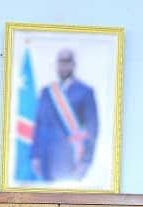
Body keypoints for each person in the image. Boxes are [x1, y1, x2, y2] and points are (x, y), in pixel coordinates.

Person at [30, 49, 99, 182]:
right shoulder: (46, 92)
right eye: (61, 62)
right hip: (45, 158)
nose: (64, 66)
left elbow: (92, 129)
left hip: (70, 159)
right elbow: (38, 125)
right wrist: (35, 155)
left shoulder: (85, 91)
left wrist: (86, 161)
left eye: (67, 61)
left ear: (73, 64)